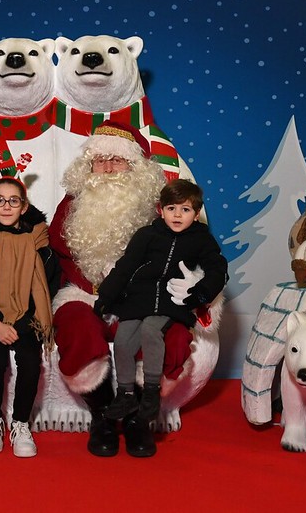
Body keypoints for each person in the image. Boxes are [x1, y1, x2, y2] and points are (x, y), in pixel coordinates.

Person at [49, 120, 203, 458]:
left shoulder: (157, 208)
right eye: (100, 160)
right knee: (77, 325)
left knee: (171, 334)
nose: (107, 167)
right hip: (86, 291)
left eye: (116, 160)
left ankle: (138, 417)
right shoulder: (73, 202)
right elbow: (60, 247)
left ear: (134, 165)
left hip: (141, 295)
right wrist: (92, 281)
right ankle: (103, 414)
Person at [93, 179, 228, 455]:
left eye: (185, 209)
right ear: (160, 210)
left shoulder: (201, 239)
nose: (177, 215)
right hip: (138, 298)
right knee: (123, 340)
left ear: (197, 212)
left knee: (151, 332)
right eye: (171, 208)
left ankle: (151, 392)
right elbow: (125, 267)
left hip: (172, 301)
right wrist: (106, 296)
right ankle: (127, 394)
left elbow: (217, 269)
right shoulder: (146, 235)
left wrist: (199, 295)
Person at [0, 177, 59, 458]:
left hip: (26, 317)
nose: (6, 207)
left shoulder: (37, 240)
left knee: (30, 360)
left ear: (24, 206)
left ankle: (20, 423)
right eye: (0, 201)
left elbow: (47, 284)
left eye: (13, 201)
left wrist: (24, 321)